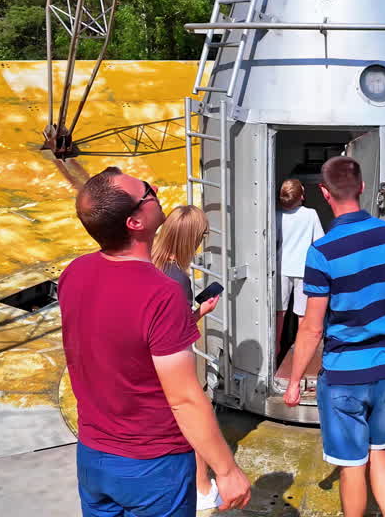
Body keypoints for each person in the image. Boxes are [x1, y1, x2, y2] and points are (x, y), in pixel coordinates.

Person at [59, 167, 250, 517]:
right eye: (148, 191)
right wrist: (226, 470)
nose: (157, 188)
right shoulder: (161, 293)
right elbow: (184, 399)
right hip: (153, 465)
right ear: (135, 222)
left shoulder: (75, 272)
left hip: (93, 455)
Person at [282, 156, 385, 517]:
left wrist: (295, 381)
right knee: (379, 451)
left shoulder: (322, 252)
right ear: (362, 187)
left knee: (352, 465)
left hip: (344, 374)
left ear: (323, 192)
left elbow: (312, 327)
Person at [151, 204, 223, 510]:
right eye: (202, 235)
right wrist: (200, 313)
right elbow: (177, 333)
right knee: (194, 418)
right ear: (191, 239)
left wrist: (197, 311)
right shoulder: (177, 279)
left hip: (150, 361)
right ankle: (202, 488)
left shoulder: (151, 264)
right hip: (172, 364)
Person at [275, 178, 324, 352]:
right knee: (302, 314)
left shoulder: (277, 216)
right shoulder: (311, 214)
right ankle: (301, 348)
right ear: (301, 196)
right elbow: (319, 242)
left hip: (281, 268)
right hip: (304, 270)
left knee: (279, 312)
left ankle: (276, 346)